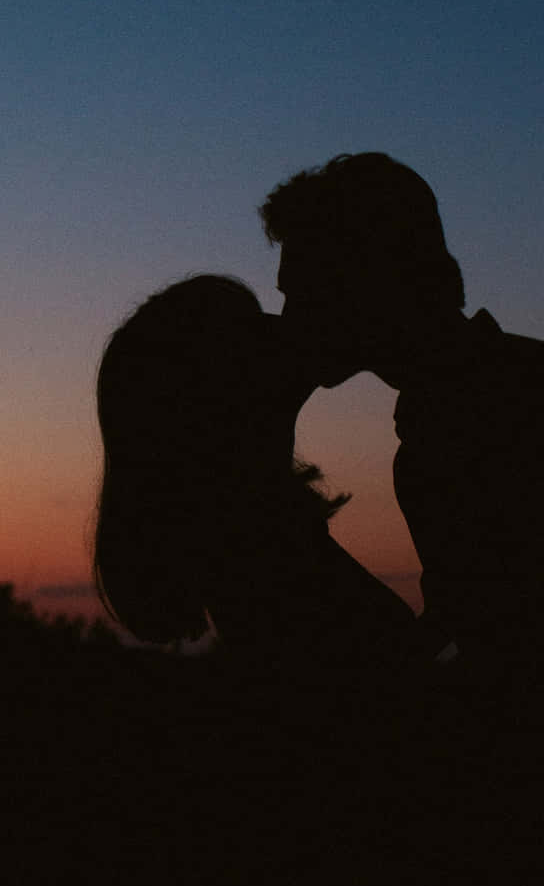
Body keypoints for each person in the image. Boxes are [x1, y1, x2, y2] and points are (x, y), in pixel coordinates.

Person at [259, 153, 544, 732]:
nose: (289, 316)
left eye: (303, 291)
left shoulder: (507, 412)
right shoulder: (509, 393)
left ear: (367, 280)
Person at [92, 274, 422, 673]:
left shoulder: (258, 551)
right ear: (212, 396)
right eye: (248, 330)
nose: (278, 325)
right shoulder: (269, 572)